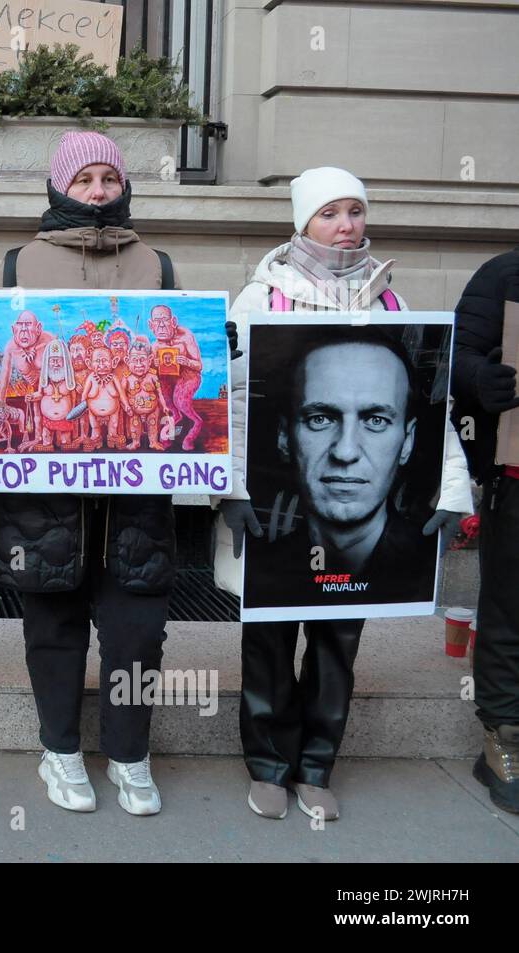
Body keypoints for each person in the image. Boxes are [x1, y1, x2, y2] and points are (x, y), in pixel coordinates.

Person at [214, 166, 473, 821]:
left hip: (354, 542)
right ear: (303, 221)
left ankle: (317, 764)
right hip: (276, 517)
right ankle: (269, 765)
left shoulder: (389, 301)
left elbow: (428, 399)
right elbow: (229, 398)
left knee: (337, 645)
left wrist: (450, 487)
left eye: (355, 211)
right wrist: (230, 490)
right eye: (331, 212)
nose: (347, 225)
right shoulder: (259, 298)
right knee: (268, 644)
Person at [0, 131, 182, 817]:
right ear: (58, 186)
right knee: (53, 623)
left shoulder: (158, 263)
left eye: (108, 177)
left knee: (138, 631)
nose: (97, 191)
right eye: (83, 179)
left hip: (135, 497)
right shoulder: (19, 263)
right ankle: (60, 749)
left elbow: (174, 361)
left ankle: (130, 752)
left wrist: (214, 353)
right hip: (47, 496)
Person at [241, 328, 439, 608]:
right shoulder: (264, 572)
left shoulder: (424, 569)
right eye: (320, 419)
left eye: (376, 420)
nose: (345, 452)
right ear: (285, 437)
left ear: (408, 442)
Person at [450, 249, 519, 814]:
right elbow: (452, 357)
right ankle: (505, 739)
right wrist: (481, 378)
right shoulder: (506, 273)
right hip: (517, 476)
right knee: (510, 608)